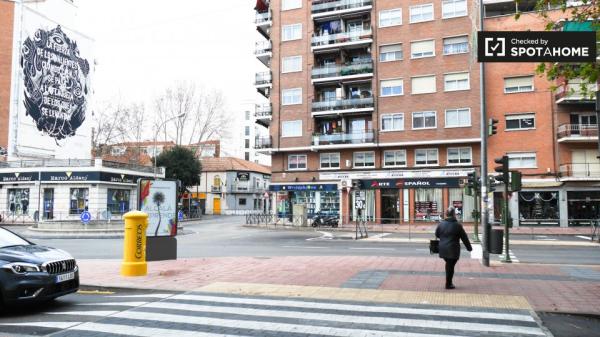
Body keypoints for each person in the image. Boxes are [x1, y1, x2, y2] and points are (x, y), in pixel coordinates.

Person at [435, 206, 472, 289]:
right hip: (453, 250)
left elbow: (437, 234)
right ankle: (448, 284)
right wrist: (469, 248)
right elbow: (464, 237)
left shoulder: (441, 224)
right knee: (450, 266)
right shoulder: (458, 225)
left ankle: (449, 283)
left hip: (443, 248)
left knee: (449, 264)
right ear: (454, 215)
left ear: (446, 214)